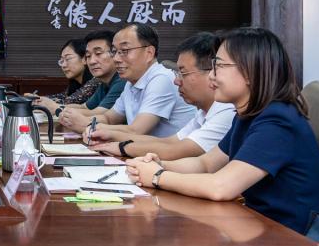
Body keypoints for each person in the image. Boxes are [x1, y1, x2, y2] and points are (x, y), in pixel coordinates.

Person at [127, 27, 319, 236]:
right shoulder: (247, 114)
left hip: (299, 239)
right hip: (261, 225)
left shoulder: (277, 120)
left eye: (219, 66)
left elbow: (221, 187)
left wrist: (157, 176)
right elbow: (205, 164)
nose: (211, 76)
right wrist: (159, 164)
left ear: (249, 72)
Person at [89, 32, 236, 160]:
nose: (176, 81)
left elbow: (178, 150)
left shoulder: (227, 110)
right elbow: (169, 142)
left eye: (183, 73)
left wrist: (121, 147)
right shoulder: (204, 112)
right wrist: (111, 136)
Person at [59, 23, 195, 136]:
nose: (116, 59)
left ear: (149, 53)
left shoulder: (161, 79)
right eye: (115, 52)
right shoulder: (131, 83)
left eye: (124, 51)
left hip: (175, 156)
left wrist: (87, 124)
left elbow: (136, 130)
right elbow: (109, 118)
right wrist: (76, 119)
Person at [35, 30, 125, 115]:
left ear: (115, 53)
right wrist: (51, 105)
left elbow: (101, 113)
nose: (92, 61)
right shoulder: (104, 83)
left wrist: (56, 108)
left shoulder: (122, 80)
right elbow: (85, 107)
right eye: (88, 56)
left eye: (98, 53)